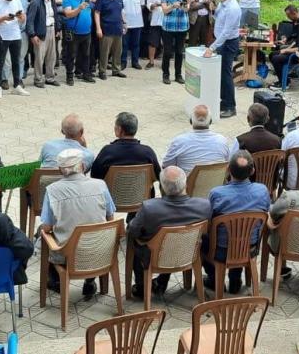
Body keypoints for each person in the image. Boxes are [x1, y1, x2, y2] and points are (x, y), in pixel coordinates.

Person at [126, 166, 212, 298]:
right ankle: (162, 281)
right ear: (185, 184)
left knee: (136, 239)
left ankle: (142, 286)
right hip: (188, 254)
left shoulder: (150, 208)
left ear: (162, 187)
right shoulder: (204, 206)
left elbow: (133, 231)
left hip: (156, 257)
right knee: (172, 240)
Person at [40, 148, 115, 298]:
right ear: (81, 166)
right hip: (100, 251)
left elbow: (47, 227)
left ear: (60, 169)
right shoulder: (100, 185)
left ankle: (56, 281)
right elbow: (110, 218)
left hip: (69, 255)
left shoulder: (52, 190)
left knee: (42, 233)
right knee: (90, 229)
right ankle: (90, 280)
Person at [202, 150, 270, 292]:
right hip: (250, 248)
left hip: (221, 251)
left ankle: (215, 278)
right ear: (252, 171)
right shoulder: (262, 191)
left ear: (228, 170)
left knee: (200, 241)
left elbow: (208, 221)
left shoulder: (217, 193)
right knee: (240, 235)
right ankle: (235, 279)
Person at [203, 0, 240, 118]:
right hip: (221, 42)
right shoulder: (223, 4)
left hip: (228, 43)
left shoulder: (233, 8)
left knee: (226, 74)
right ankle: (223, 102)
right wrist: (212, 10)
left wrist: (212, 48)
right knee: (221, 75)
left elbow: (226, 32)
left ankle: (231, 106)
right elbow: (217, 19)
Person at [90, 112, 161, 181]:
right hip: (142, 193)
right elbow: (159, 176)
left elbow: (94, 175)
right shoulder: (148, 152)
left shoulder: (107, 152)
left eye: (115, 126)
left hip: (111, 193)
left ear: (120, 130)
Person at [162, 105, 231, 174]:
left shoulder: (179, 141)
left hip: (187, 184)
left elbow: (166, 166)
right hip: (218, 184)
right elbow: (227, 165)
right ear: (210, 121)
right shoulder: (222, 141)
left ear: (191, 121)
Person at [25, 0, 60, 88]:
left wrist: (58, 29)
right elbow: (30, 20)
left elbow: (55, 15)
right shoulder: (35, 1)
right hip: (40, 32)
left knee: (52, 56)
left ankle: (50, 77)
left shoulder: (52, 0)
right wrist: (32, 35)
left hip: (52, 29)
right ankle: (38, 79)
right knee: (39, 58)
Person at [61, 0, 94, 85]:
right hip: (73, 32)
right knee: (71, 55)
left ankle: (86, 74)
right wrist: (79, 8)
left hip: (86, 32)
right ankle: (69, 76)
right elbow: (68, 14)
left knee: (86, 54)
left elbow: (91, 9)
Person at [93, 0, 126, 80]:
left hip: (118, 28)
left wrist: (124, 23)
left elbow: (121, 11)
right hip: (106, 29)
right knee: (104, 52)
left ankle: (116, 69)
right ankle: (102, 71)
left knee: (117, 51)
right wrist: (98, 28)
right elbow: (97, 13)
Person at [160, 0, 190, 84]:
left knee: (179, 52)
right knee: (167, 52)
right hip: (168, 26)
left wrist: (184, 6)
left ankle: (178, 75)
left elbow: (187, 9)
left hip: (181, 26)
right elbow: (164, 10)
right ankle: (165, 74)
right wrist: (173, 5)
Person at [119, 0, 145, 70]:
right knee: (124, 44)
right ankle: (123, 62)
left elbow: (142, 5)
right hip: (125, 22)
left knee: (136, 43)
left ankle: (135, 62)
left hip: (137, 22)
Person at [145, 0, 170, 69]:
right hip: (155, 18)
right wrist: (152, 5)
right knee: (153, 42)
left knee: (167, 42)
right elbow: (148, 3)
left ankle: (165, 62)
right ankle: (151, 61)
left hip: (167, 18)